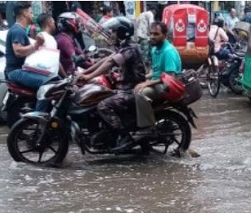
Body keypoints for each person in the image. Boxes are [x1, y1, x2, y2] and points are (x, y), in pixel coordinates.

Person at [77, 16, 146, 152]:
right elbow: (104, 60)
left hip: (132, 90)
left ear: (121, 32)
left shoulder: (129, 49)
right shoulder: (123, 47)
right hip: (125, 88)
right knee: (97, 99)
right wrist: (84, 73)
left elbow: (110, 63)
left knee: (103, 106)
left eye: (113, 31)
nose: (111, 34)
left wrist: (88, 76)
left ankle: (124, 136)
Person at [133, 22, 182, 138]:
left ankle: (148, 127)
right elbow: (154, 72)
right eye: (151, 34)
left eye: (156, 34)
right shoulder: (155, 49)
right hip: (158, 82)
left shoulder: (168, 51)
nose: (152, 37)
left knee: (140, 93)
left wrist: (147, 84)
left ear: (165, 35)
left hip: (167, 86)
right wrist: (143, 78)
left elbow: (169, 77)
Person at [5, 1, 51, 112]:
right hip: (16, 72)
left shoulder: (20, 30)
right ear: (25, 14)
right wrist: (36, 45)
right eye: (31, 13)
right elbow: (18, 51)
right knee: (47, 82)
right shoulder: (17, 31)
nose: (33, 15)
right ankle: (40, 116)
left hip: (19, 70)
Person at [56, 12, 91, 77]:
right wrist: (85, 57)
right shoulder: (65, 41)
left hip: (73, 72)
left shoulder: (66, 38)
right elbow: (75, 59)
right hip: (70, 76)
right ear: (69, 24)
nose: (79, 24)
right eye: (76, 21)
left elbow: (79, 54)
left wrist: (91, 63)